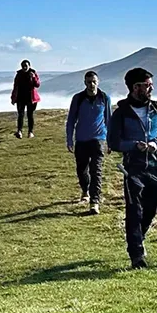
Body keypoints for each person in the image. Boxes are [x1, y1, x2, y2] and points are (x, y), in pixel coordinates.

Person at [108, 67, 157, 269]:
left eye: (151, 85)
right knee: (134, 210)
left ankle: (138, 238)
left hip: (156, 167)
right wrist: (134, 145)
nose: (151, 88)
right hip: (132, 169)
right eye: (147, 85)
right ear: (135, 87)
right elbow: (113, 141)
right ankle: (136, 254)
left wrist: (155, 143)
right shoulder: (121, 113)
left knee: (152, 208)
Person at [66, 70, 112, 214]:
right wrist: (69, 139)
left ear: (98, 82)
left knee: (96, 170)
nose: (91, 84)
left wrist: (110, 140)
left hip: (99, 139)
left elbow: (109, 119)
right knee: (82, 170)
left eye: (94, 81)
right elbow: (71, 120)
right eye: (89, 82)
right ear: (85, 83)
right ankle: (85, 190)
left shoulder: (105, 98)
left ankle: (94, 202)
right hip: (81, 139)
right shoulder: (78, 98)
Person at [10, 59, 40, 138]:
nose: (24, 67)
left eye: (26, 66)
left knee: (30, 115)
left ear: (29, 66)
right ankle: (19, 131)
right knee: (20, 115)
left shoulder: (33, 73)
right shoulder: (19, 74)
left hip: (30, 98)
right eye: (23, 66)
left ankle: (30, 132)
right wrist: (13, 98)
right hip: (20, 97)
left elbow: (37, 85)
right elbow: (15, 86)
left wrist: (33, 77)